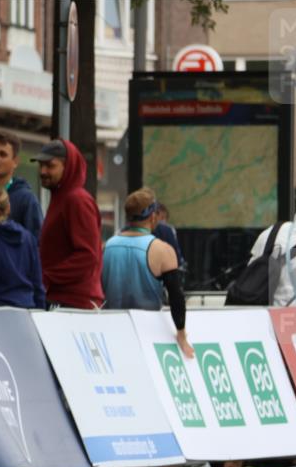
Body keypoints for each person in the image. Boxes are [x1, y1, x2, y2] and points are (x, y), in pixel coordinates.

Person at [102, 188, 193, 358]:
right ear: (153, 216)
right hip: (148, 333)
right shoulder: (163, 250)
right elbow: (176, 296)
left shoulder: (108, 246)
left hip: (112, 329)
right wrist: (181, 334)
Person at [34, 139, 104, 309]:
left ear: (68, 167)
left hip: (75, 304)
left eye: (50, 166)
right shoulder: (62, 198)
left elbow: (88, 256)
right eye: (41, 165)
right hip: (64, 300)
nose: (43, 171)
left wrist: (46, 277)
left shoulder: (77, 200)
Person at [152, 202, 185, 268]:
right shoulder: (168, 230)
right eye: (161, 218)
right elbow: (176, 253)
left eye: (164, 218)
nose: (162, 221)